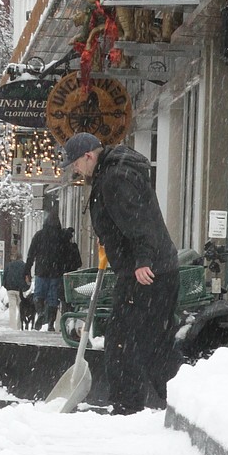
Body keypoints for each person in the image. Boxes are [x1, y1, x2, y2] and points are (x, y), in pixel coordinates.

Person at [61, 131, 184, 415]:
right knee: (154, 345)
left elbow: (141, 222)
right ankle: (182, 401)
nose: (75, 170)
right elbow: (130, 220)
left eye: (76, 163)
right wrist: (111, 240)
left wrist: (142, 260)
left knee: (123, 342)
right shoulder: (116, 172)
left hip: (146, 274)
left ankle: (129, 407)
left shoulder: (114, 178)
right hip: (155, 270)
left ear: (89, 156)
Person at [24, 212, 67, 332]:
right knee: (53, 299)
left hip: (41, 271)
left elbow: (31, 254)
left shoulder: (39, 235)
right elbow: (66, 255)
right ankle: (51, 324)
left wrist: (27, 270)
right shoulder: (61, 236)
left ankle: (41, 312)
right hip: (56, 272)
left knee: (38, 295)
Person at [0, 246, 29, 330]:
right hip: (20, 290)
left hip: (10, 289)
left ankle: (12, 326)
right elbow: (27, 278)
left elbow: (4, 277)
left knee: (12, 308)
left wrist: (6, 286)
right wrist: (25, 287)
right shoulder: (24, 266)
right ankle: (19, 325)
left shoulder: (9, 265)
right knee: (21, 308)